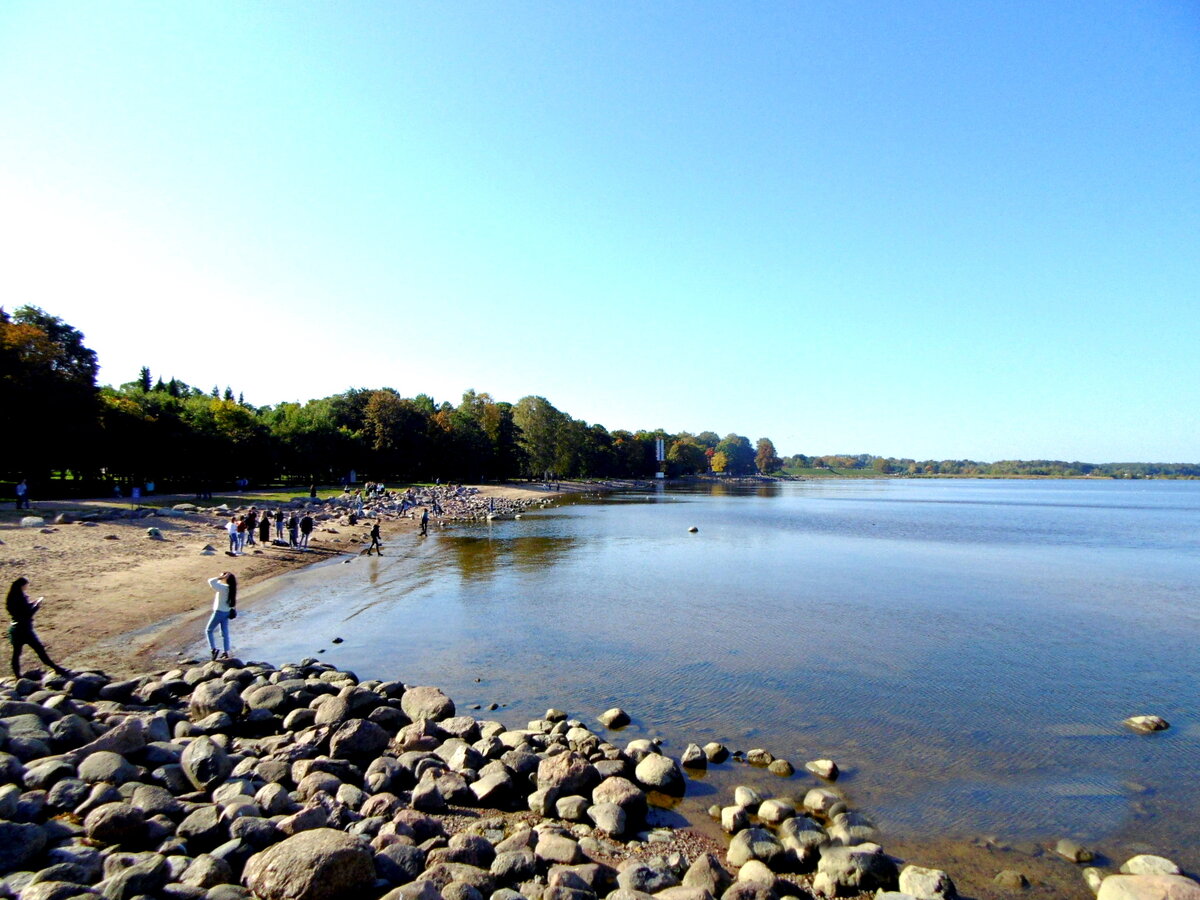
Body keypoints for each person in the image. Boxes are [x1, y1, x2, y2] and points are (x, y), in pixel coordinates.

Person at [7, 577, 69, 678]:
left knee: (17, 654)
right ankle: (57, 669)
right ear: (23, 585)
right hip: (25, 630)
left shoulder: (12, 596)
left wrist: (32, 603)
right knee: (40, 650)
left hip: (15, 629)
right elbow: (27, 613)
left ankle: (17, 675)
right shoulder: (20, 597)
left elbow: (21, 610)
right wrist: (37, 605)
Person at [204, 571, 236, 661]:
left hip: (218, 612)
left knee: (209, 630)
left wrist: (220, 578)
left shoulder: (222, 588)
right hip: (226, 612)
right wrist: (222, 578)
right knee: (224, 633)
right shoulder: (231, 588)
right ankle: (226, 652)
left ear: (226, 578)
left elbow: (210, 581)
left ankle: (213, 650)